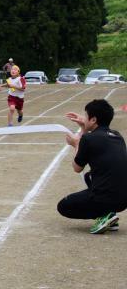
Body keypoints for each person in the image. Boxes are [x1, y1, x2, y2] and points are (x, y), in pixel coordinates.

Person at [58, 99, 127, 234]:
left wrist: (75, 144)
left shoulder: (88, 139)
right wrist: (83, 127)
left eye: (86, 116)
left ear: (93, 120)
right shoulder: (117, 136)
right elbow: (90, 142)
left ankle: (105, 215)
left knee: (64, 206)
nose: (83, 118)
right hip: (124, 199)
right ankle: (109, 214)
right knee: (89, 176)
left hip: (107, 197)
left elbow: (77, 167)